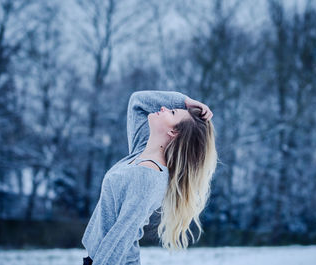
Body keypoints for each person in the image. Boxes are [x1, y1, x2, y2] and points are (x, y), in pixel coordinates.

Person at [81, 90, 217, 265]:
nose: (164, 108)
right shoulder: (141, 151)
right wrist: (185, 102)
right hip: (102, 257)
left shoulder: (148, 177)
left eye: (173, 112)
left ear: (174, 132)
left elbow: (121, 236)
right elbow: (138, 102)